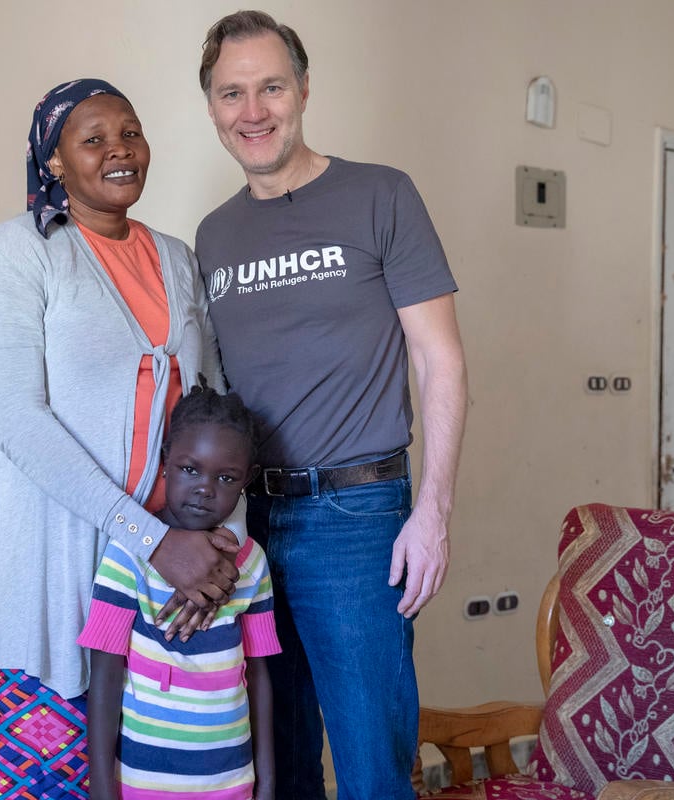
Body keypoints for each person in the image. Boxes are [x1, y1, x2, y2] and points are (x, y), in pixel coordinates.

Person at [194, 12, 468, 800]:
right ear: (212, 109)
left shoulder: (381, 195)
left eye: (271, 87)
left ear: (304, 90)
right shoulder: (213, 237)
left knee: (372, 771)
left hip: (358, 519)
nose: (253, 110)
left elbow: (440, 361)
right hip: (248, 528)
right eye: (231, 93)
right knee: (276, 771)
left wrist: (434, 512)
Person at [0, 78, 245, 800]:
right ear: (54, 162)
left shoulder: (177, 258)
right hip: (59, 565)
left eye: (131, 132)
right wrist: (151, 539)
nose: (119, 150)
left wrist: (221, 545)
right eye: (93, 140)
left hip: (171, 574)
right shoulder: (19, 254)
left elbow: (215, 410)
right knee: (49, 778)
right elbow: (19, 422)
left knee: (164, 775)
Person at [80, 379, 281, 800]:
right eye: (191, 469)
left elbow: (259, 675)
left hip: (231, 781)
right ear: (165, 462)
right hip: (145, 783)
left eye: (226, 478)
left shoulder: (251, 562)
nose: (205, 488)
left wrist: (266, 780)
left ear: (248, 480)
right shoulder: (127, 557)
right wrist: (101, 788)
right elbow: (104, 672)